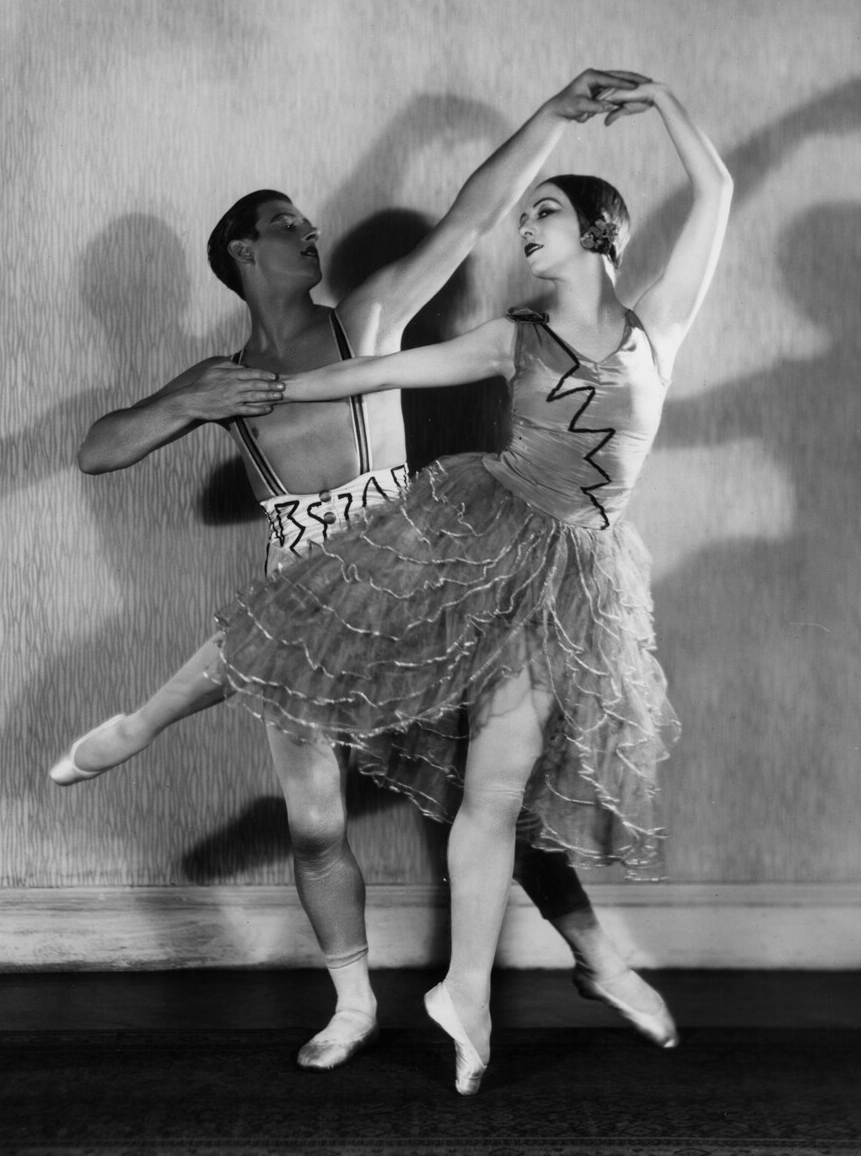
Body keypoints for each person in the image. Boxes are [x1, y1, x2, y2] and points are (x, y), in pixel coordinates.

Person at [52, 69, 684, 1071]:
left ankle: (596, 958)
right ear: (242, 254)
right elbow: (97, 449)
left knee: (497, 797)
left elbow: (466, 214)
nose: (309, 231)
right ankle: (350, 1005)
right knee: (313, 823)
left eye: (309, 222)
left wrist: (547, 118)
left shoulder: (374, 312)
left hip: (422, 575)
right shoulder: (217, 377)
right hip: (303, 594)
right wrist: (186, 403)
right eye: (286, 225)